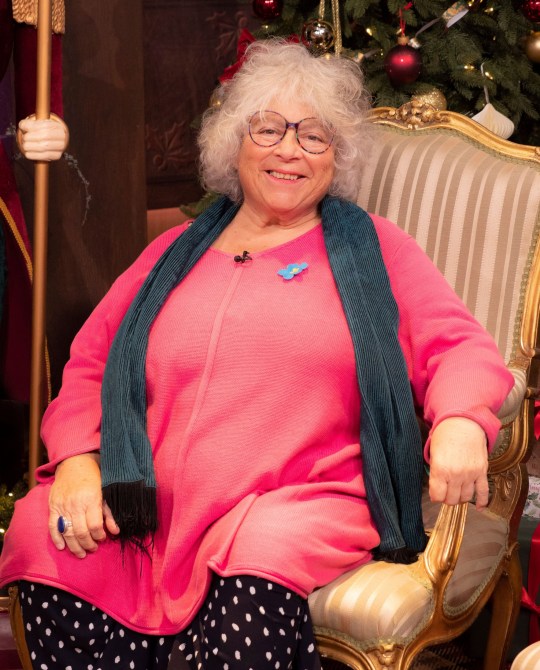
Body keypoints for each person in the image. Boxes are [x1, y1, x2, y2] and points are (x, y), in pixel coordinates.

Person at [0, 39, 514, 670]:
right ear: (231, 143)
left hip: (299, 499)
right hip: (152, 504)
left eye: (315, 137)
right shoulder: (173, 252)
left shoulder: (375, 250)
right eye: (269, 128)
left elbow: (459, 345)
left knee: (259, 553)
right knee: (40, 534)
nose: (290, 150)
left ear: (338, 157)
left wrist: (463, 418)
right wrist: (78, 462)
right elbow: (90, 365)